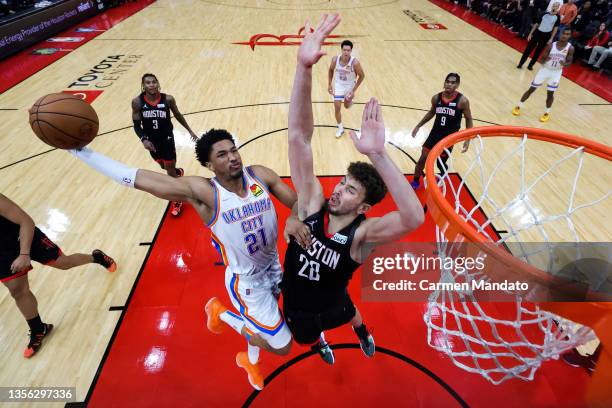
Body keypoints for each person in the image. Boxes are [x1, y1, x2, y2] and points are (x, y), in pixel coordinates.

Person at [67, 129, 309, 391]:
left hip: (274, 266)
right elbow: (139, 179)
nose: (233, 158)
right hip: (248, 284)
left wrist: (295, 216)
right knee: (282, 346)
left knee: (264, 324)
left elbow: (297, 201)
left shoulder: (259, 174)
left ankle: (251, 363)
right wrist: (82, 153)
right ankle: (221, 313)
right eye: (222, 154)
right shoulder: (204, 192)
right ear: (209, 165)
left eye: (233, 150)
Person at [282, 13, 424, 365]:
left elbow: (413, 217)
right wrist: (304, 68)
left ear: (363, 208)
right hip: (296, 303)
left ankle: (363, 333)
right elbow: (299, 138)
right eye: (343, 184)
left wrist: (378, 154)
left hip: (333, 303)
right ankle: (321, 345)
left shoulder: (362, 236)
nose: (339, 192)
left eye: (350, 191)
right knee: (308, 338)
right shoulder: (312, 205)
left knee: (349, 313)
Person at [1, 194, 116, 358]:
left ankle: (96, 257)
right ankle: (38, 328)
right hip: (3, 252)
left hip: (25, 238)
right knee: (17, 291)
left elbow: (26, 222)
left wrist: (24, 253)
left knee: (64, 263)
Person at [132, 73, 199, 216]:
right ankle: (177, 173)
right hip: (152, 141)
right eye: (148, 83)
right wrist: (144, 139)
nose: (151, 85)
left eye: (154, 82)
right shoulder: (137, 102)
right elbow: (137, 125)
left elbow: (178, 115)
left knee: (169, 170)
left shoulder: (168, 99)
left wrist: (190, 130)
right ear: (143, 85)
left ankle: (178, 199)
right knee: (164, 166)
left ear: (158, 83)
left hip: (167, 138)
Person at [410, 73, 473, 190]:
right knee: (423, 157)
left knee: (440, 163)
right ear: (444, 83)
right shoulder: (436, 98)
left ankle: (443, 172)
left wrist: (468, 139)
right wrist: (418, 126)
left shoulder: (462, 101)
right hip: (435, 134)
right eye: (447, 81)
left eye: (453, 82)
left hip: (448, 138)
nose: (449, 84)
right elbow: (431, 113)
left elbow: (468, 119)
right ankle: (415, 181)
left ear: (457, 85)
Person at [513, 27, 574, 122]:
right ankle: (518, 106)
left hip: (556, 73)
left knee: (550, 93)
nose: (565, 36)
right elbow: (541, 60)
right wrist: (545, 60)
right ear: (560, 34)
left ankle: (546, 113)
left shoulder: (570, 48)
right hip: (545, 70)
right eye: (563, 33)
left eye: (567, 34)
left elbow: (569, 62)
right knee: (531, 89)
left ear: (569, 36)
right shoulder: (551, 46)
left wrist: (564, 64)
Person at [327, 40, 365, 138]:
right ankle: (340, 128)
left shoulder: (355, 62)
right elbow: (331, 70)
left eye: (348, 50)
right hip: (339, 85)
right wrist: (330, 84)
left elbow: (362, 76)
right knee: (337, 107)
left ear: (351, 51)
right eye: (344, 50)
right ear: (341, 50)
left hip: (349, 86)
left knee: (346, 106)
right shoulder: (335, 59)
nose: (346, 52)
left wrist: (353, 90)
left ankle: (349, 102)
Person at [518, 2, 561, 70]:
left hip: (546, 35)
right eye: (553, 6)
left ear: (558, 8)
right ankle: (521, 63)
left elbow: (555, 29)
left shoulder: (558, 17)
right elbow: (536, 24)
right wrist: (530, 33)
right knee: (528, 49)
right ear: (552, 6)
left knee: (538, 51)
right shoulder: (544, 13)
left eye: (556, 6)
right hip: (537, 33)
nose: (554, 7)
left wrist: (551, 39)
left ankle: (530, 65)